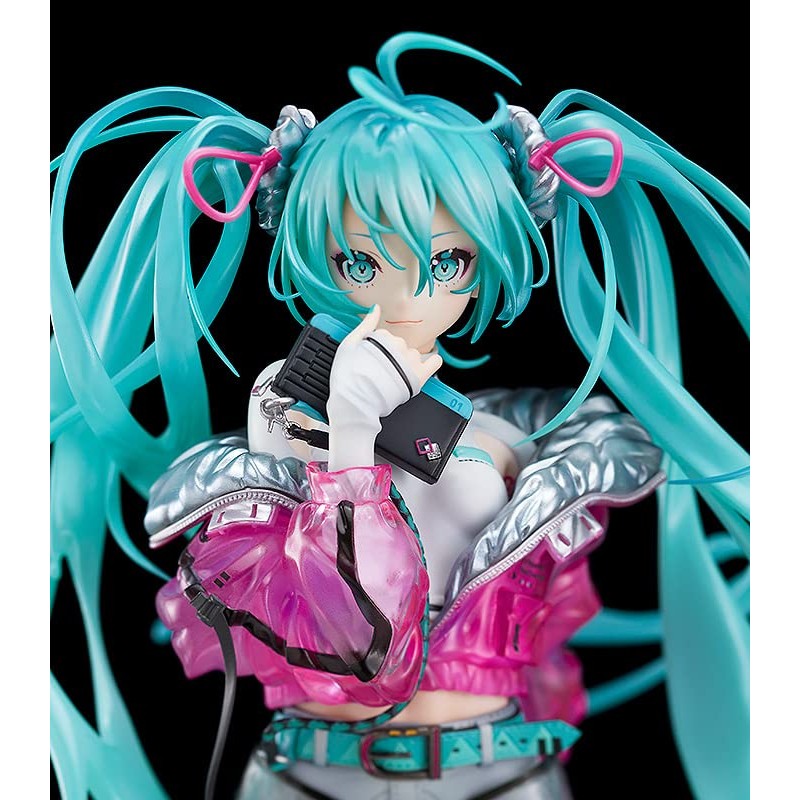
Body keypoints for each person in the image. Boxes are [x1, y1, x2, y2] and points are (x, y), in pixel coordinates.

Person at [50, 32, 750, 800]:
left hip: (499, 774)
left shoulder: (534, 441)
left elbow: (546, 642)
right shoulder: (283, 410)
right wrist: (350, 439)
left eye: (448, 261)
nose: (408, 296)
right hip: (311, 778)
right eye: (360, 262)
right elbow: (356, 642)